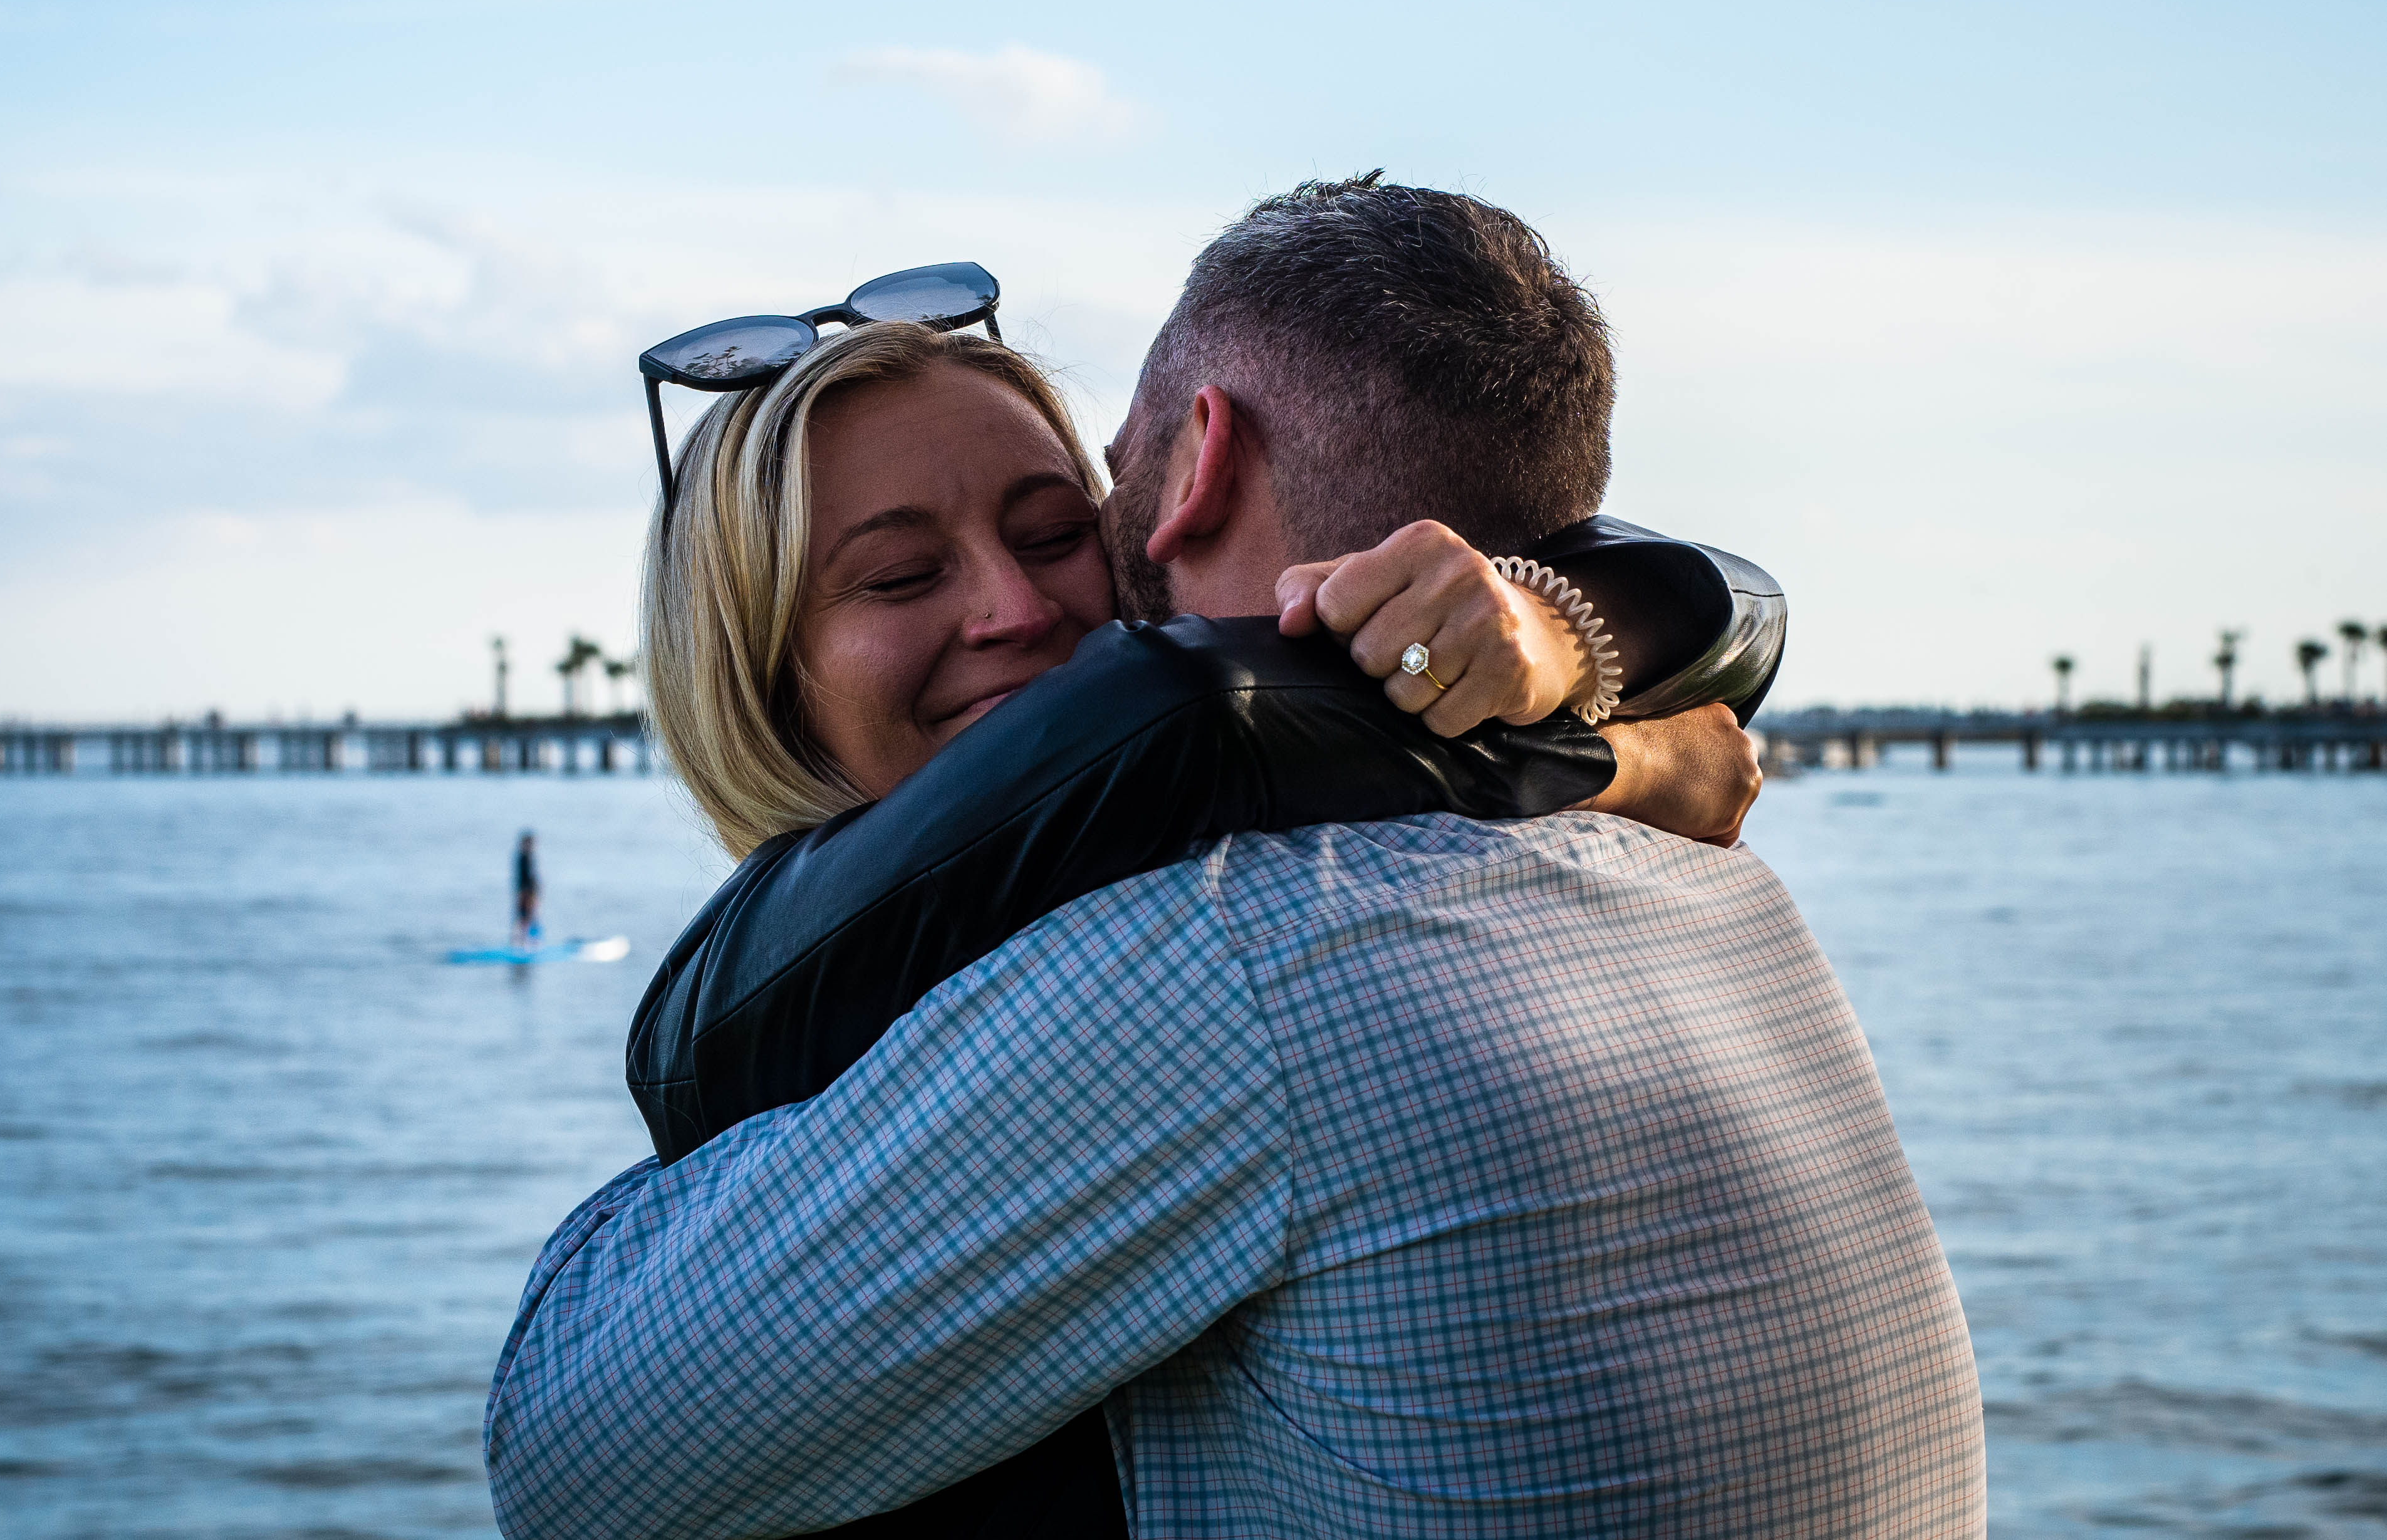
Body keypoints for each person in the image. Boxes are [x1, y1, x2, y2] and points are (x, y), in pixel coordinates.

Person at [489, 179, 1983, 1536]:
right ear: (753, 666)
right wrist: (1618, 730)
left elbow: (567, 1464)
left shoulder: (1215, 949)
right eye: (898, 574)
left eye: (1062, 520)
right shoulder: (1683, 867)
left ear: (1188, 469)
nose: (1015, 608)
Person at [511, 830, 541, 949]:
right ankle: (523, 943)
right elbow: (525, 878)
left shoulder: (526, 857)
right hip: (526, 893)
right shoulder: (524, 858)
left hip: (527, 892)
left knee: (528, 917)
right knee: (526, 918)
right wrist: (528, 894)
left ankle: (526, 941)